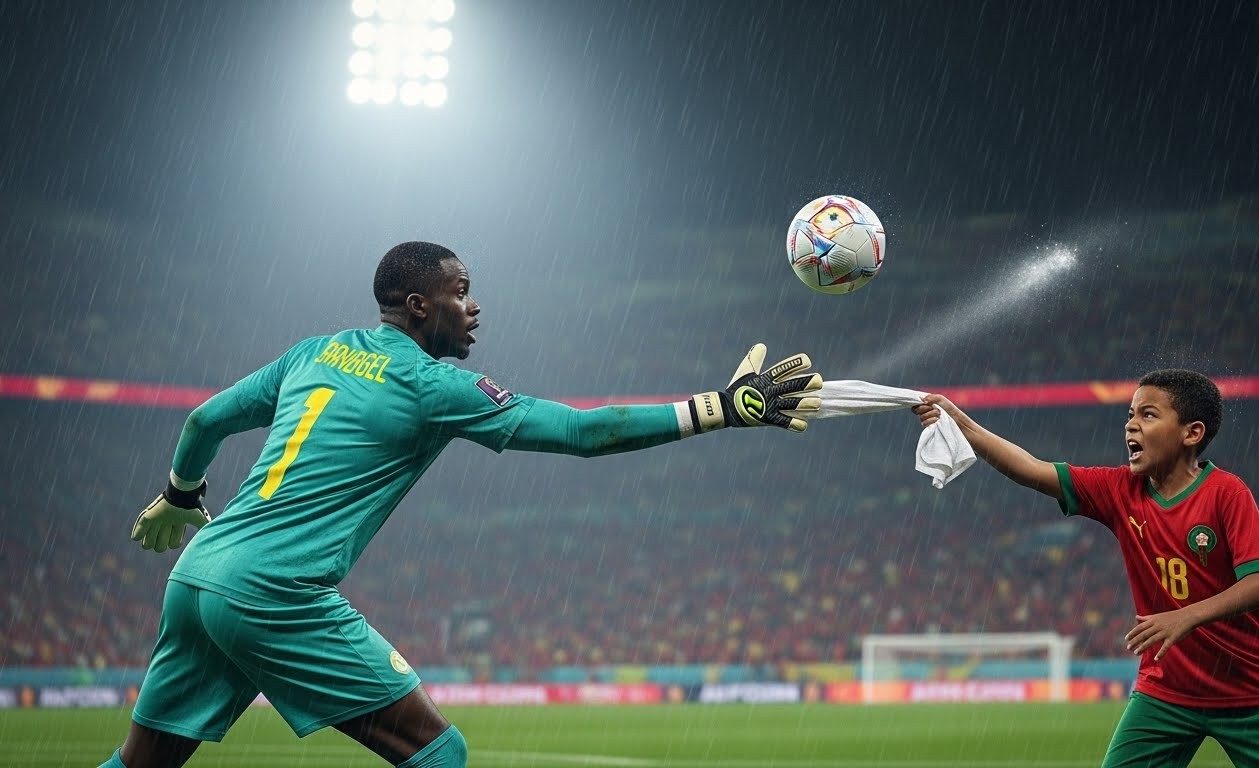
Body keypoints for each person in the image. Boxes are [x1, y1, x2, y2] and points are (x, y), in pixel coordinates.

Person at [104, 240, 823, 768]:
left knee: (141, 767)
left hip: (198, 572)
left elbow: (203, 421)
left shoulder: (311, 353)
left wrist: (179, 494)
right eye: (461, 290)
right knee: (439, 754)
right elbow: (582, 430)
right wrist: (719, 410)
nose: (473, 306)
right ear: (420, 305)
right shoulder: (431, 386)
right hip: (272, 589)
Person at [912, 369, 1259, 767]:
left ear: (1192, 433)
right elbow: (1031, 469)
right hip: (1166, 694)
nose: (1131, 426)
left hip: (1249, 691)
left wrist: (1186, 617)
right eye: (1130, 415)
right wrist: (958, 421)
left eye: (1148, 415)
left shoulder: (1227, 493)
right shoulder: (1119, 490)